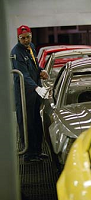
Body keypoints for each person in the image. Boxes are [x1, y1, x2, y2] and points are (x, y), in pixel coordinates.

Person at [11, 25, 49, 162]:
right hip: (24, 92)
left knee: (36, 121)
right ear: (18, 38)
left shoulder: (31, 47)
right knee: (27, 123)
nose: (26, 40)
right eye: (22, 38)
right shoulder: (16, 52)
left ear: (31, 36)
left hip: (34, 91)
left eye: (28, 37)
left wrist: (41, 70)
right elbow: (23, 75)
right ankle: (29, 154)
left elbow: (34, 65)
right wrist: (37, 88)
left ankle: (38, 151)